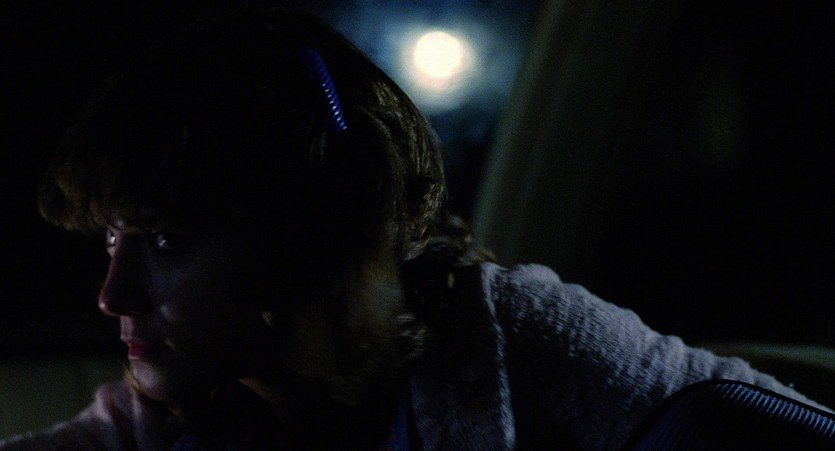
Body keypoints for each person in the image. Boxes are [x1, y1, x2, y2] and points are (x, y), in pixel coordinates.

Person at [1, 6, 829, 450]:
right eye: (110, 239)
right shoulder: (178, 414)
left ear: (308, 233)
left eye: (167, 241)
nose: (112, 294)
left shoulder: (517, 338)